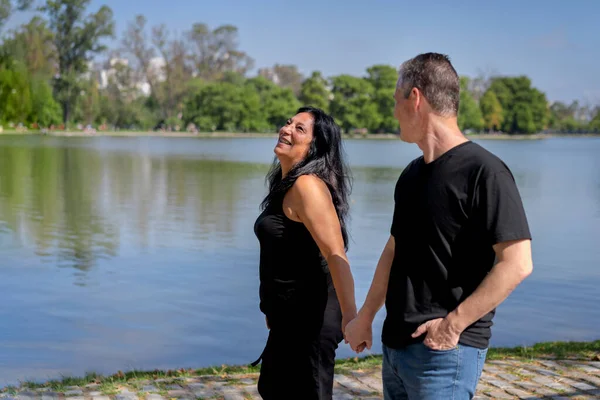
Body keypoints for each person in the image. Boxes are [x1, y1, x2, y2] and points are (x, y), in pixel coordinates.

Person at [344, 53, 534, 399]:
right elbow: (394, 250)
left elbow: (518, 263)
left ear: (414, 98)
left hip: (446, 354)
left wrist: (453, 324)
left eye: (395, 101)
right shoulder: (411, 175)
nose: (394, 113)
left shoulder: (485, 171)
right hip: (396, 350)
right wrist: (366, 315)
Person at [252, 106, 358, 399]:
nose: (286, 129)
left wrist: (352, 317)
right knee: (273, 389)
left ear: (315, 147)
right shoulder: (284, 185)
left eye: (299, 129)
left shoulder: (307, 186)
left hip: (312, 318)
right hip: (289, 318)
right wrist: (273, 308)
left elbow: (336, 254)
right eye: (288, 123)